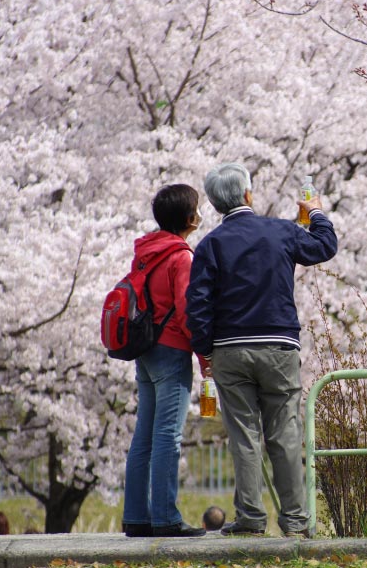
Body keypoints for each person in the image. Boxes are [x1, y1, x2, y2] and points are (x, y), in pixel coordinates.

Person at [186, 163, 337, 538]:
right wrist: (315, 211)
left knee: (243, 434)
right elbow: (324, 246)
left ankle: (251, 518)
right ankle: (297, 521)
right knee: (284, 433)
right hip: (279, 345)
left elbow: (198, 305)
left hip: (230, 350)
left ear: (216, 204)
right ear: (248, 195)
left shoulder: (209, 246)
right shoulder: (281, 231)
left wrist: (205, 352)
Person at [122, 184, 207, 538]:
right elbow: (188, 313)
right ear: (189, 218)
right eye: (197, 208)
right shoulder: (181, 257)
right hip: (172, 351)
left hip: (145, 351)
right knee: (168, 437)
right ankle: (165, 518)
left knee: (144, 436)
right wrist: (205, 357)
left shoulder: (145, 252)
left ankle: (136, 516)